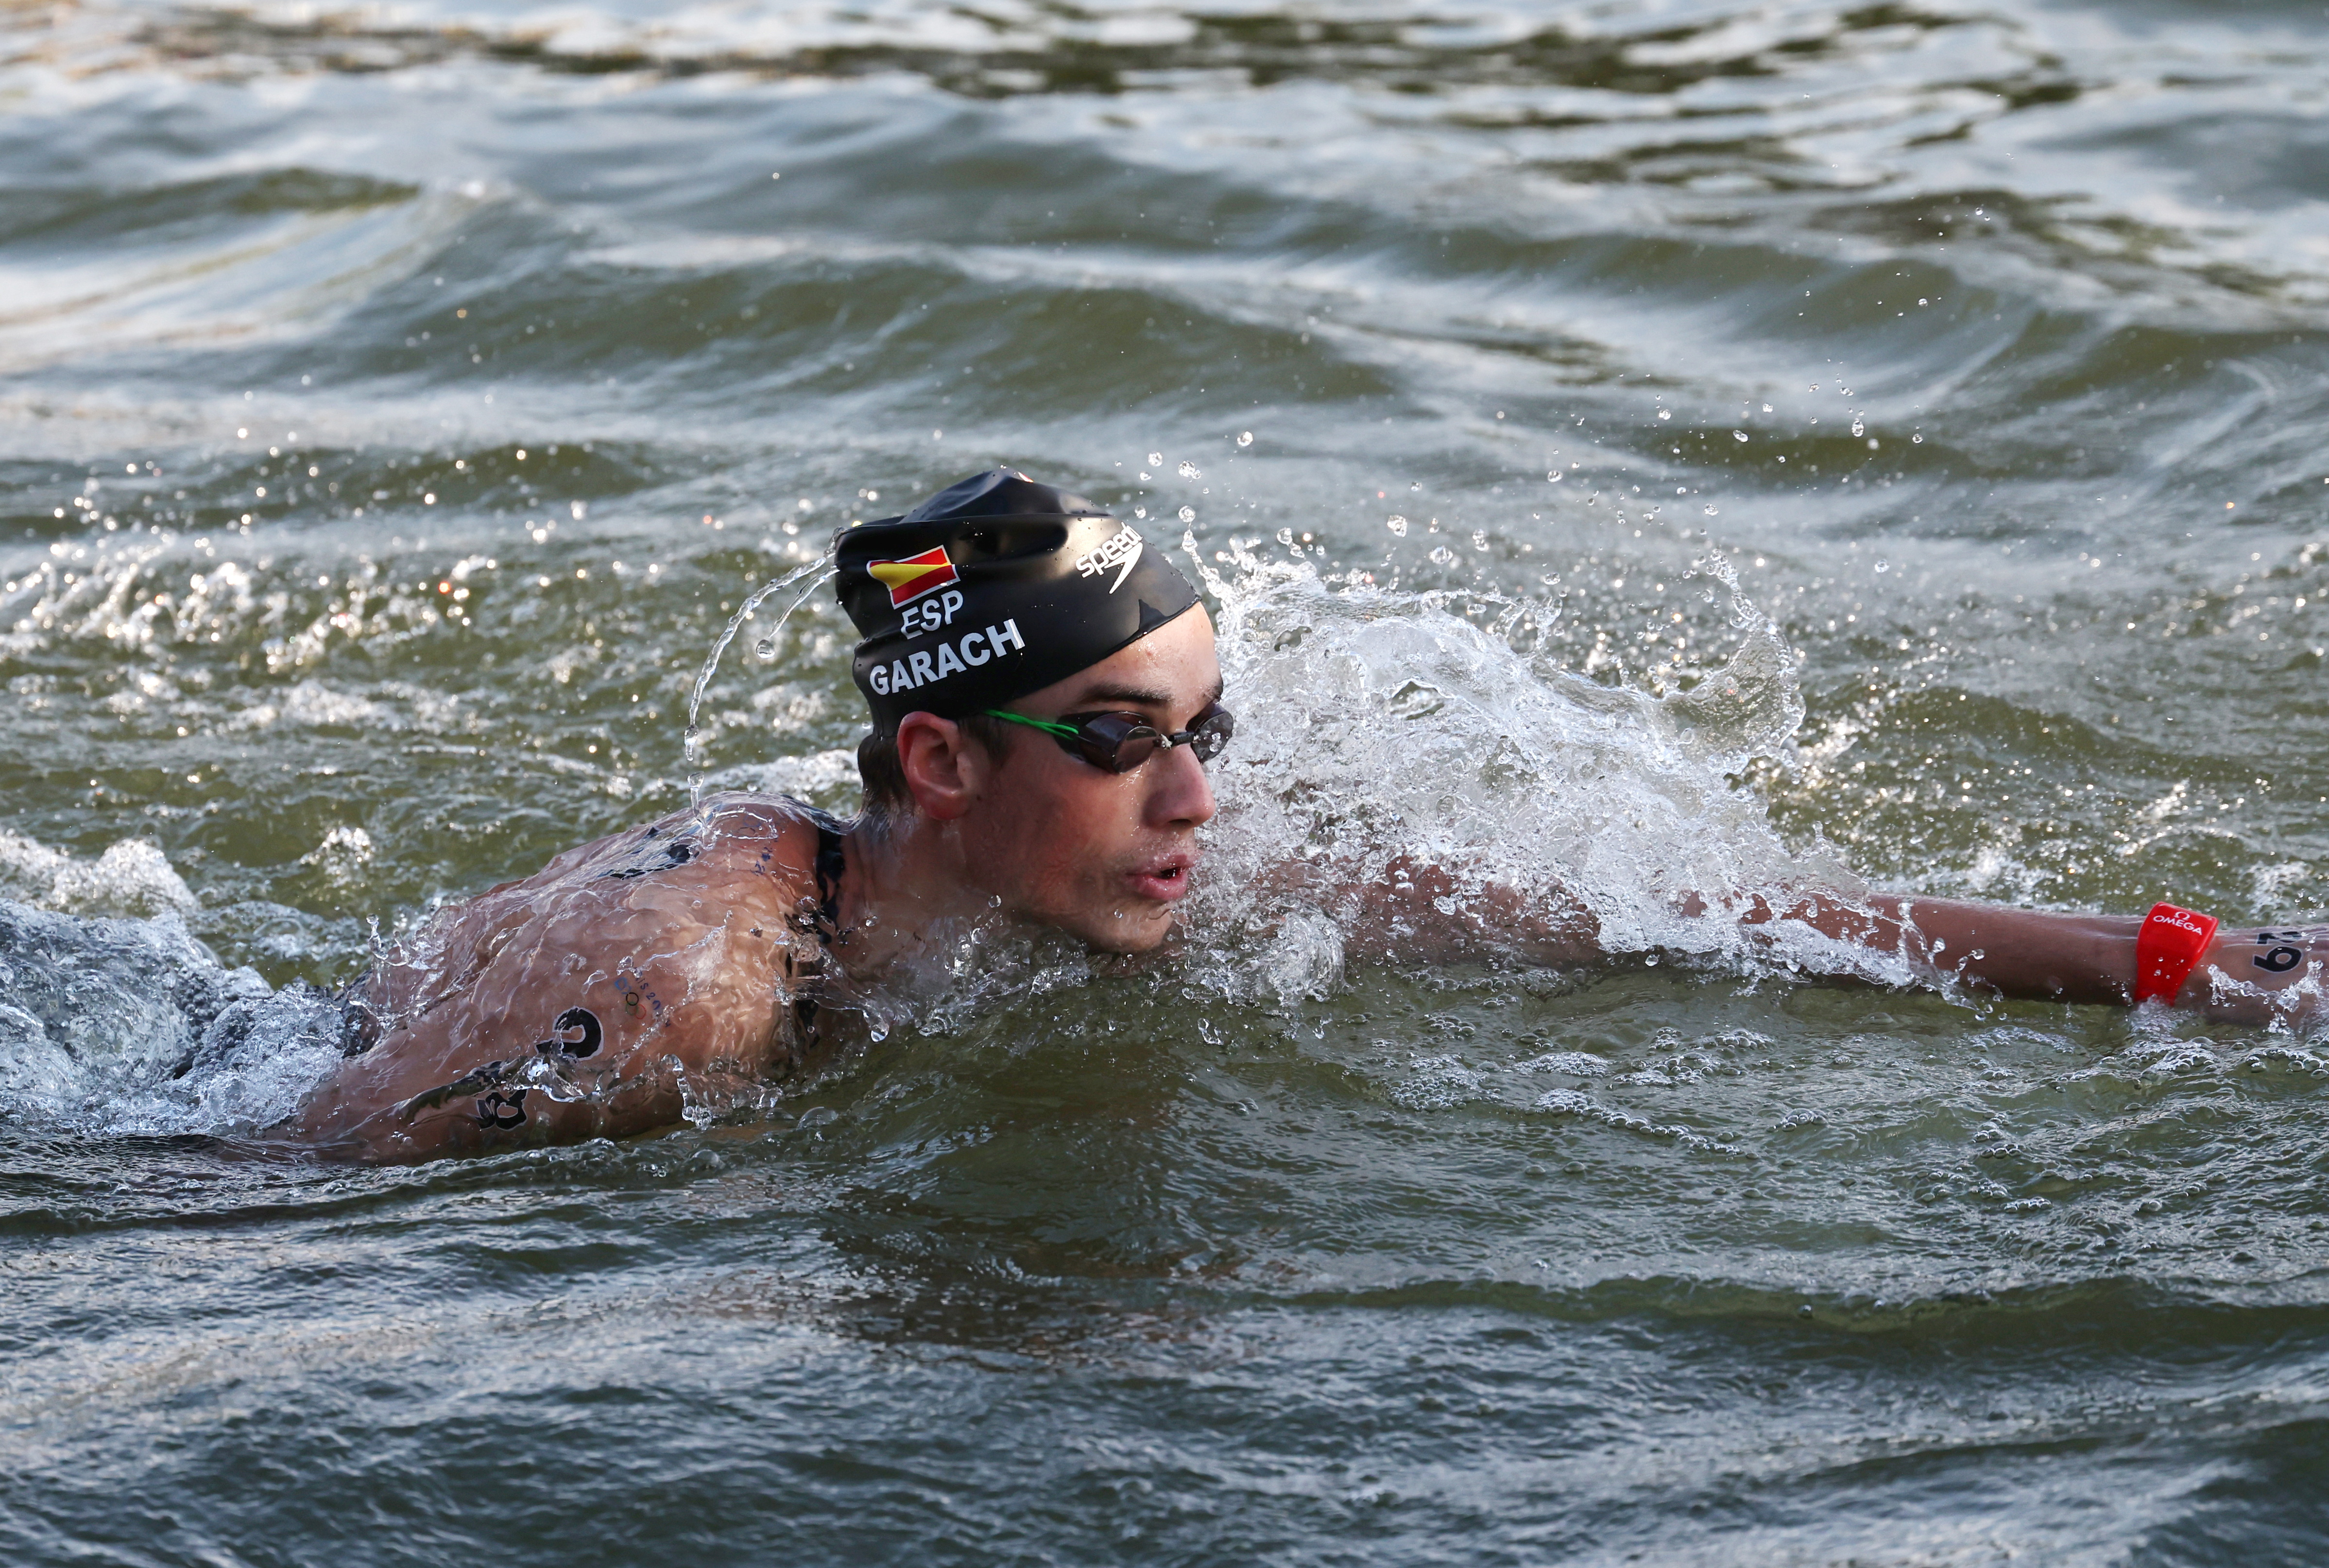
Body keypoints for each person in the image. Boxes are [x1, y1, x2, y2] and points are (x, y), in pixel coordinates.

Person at [291, 470, 2327, 1162]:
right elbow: (254, 1205)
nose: (1194, 796)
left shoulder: (1152, 856)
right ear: (938, 765)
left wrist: (2193, 969)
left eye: (1207, 726)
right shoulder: (677, 992)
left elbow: (1677, 913)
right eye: (1115, 740)